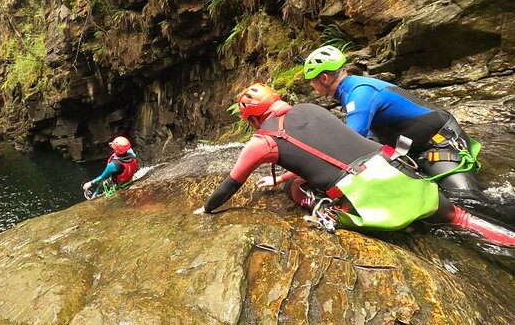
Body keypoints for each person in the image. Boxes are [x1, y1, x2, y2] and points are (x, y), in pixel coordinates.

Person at [193, 83, 515, 247]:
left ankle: (324, 209)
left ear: (252, 118)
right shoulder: (311, 107)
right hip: (399, 171)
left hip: (370, 200)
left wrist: (206, 209)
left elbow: (230, 185)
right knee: (460, 217)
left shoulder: (259, 143)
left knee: (294, 188)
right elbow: (330, 149)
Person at [302, 45, 513, 222]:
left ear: (324, 78)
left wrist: (298, 171)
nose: (312, 86)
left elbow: (347, 143)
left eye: (311, 80)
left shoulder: (360, 94)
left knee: (469, 202)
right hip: (414, 146)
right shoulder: (352, 91)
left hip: (442, 142)